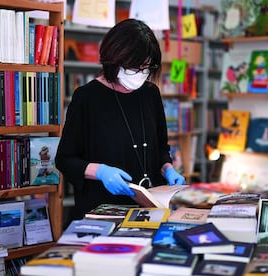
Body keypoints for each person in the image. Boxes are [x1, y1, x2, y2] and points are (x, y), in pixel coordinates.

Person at [55, 18, 186, 219]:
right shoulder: (87, 97)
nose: (141, 74)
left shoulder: (151, 94)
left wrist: (168, 168)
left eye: (147, 68)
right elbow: (65, 160)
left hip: (149, 210)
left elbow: (160, 148)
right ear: (113, 58)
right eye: (135, 67)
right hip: (101, 210)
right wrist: (100, 172)